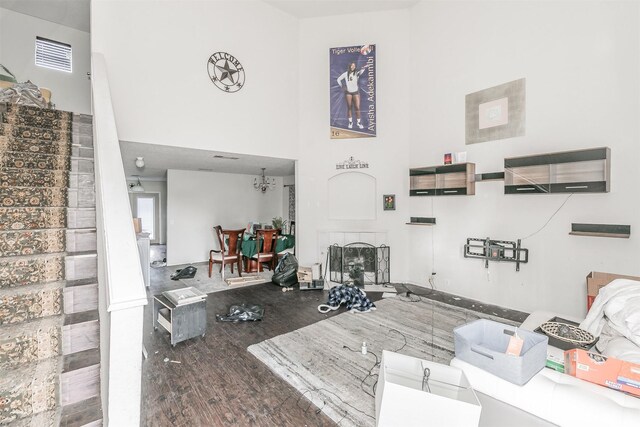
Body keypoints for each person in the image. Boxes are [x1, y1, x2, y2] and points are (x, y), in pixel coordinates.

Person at [336, 62, 370, 129]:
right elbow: (338, 79)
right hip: (348, 92)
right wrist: (342, 86)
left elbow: (362, 70)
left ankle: (358, 122)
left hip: (355, 92)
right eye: (352, 65)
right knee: (349, 107)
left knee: (357, 107)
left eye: (354, 65)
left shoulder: (357, 73)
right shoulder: (346, 74)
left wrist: (366, 65)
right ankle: (350, 122)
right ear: (350, 66)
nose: (353, 66)